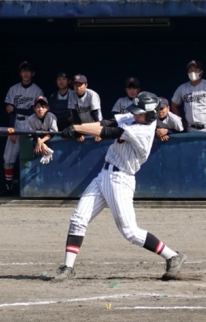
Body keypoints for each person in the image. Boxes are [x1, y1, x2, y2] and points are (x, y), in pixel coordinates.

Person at [54, 91, 187, 281]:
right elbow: (107, 123)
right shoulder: (134, 118)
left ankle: (172, 256)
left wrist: (79, 129)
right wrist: (78, 128)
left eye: (140, 113)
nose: (135, 115)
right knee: (78, 219)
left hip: (121, 179)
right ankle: (68, 267)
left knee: (130, 232)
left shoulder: (144, 131)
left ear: (151, 115)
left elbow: (110, 132)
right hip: (104, 174)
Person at [2, 61, 44, 195]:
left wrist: (15, 109)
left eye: (28, 71)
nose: (26, 73)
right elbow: (9, 111)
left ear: (33, 73)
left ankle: (29, 188)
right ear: (20, 73)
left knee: (29, 158)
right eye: (23, 71)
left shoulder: (37, 91)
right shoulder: (13, 89)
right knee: (8, 158)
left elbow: (35, 111)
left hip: (30, 124)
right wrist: (11, 130)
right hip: (16, 124)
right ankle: (8, 188)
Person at [171, 60, 206, 133]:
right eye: (190, 70)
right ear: (188, 72)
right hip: (191, 128)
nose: (193, 72)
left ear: (201, 72)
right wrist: (180, 121)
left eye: (196, 70)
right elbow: (174, 104)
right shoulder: (182, 88)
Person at [68, 74, 103, 142]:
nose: (78, 87)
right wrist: (79, 132)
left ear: (86, 85)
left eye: (80, 85)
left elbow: (95, 115)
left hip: (95, 124)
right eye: (75, 85)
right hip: (82, 125)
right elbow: (75, 115)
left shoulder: (92, 95)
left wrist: (97, 132)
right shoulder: (71, 94)